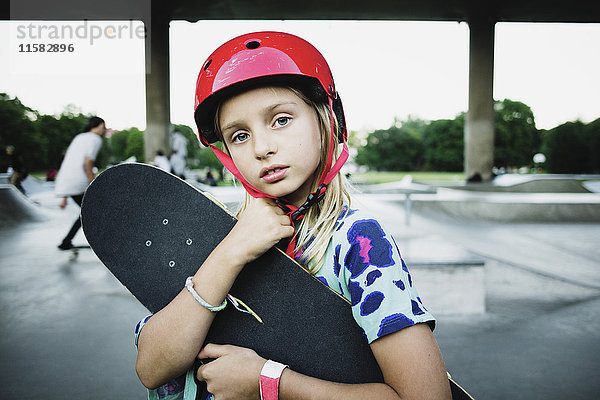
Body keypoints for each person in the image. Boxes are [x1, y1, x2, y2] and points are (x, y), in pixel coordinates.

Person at [135, 31, 451, 400]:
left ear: (327, 121)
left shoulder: (356, 241)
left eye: (281, 120)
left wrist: (269, 383)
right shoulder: (212, 233)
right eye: (239, 136)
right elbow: (151, 369)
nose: (262, 148)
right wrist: (231, 252)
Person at [55, 116, 106, 250]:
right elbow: (87, 163)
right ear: (100, 125)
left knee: (87, 213)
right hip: (79, 182)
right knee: (97, 211)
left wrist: (64, 197)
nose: (104, 130)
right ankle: (107, 244)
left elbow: (70, 162)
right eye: (103, 127)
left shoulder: (79, 137)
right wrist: (94, 184)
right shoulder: (95, 139)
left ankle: (66, 241)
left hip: (66, 181)